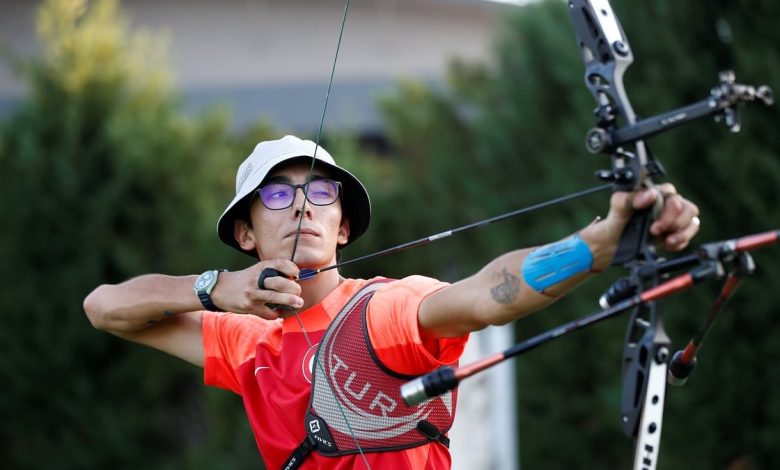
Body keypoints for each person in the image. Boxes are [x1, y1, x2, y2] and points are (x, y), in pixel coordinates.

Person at [83, 135, 701, 469]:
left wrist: (596, 245)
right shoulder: (246, 342)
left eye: (320, 193)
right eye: (277, 195)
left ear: (343, 226)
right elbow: (104, 307)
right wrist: (216, 288)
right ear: (246, 234)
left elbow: (487, 295)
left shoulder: (383, 312)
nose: (301, 207)